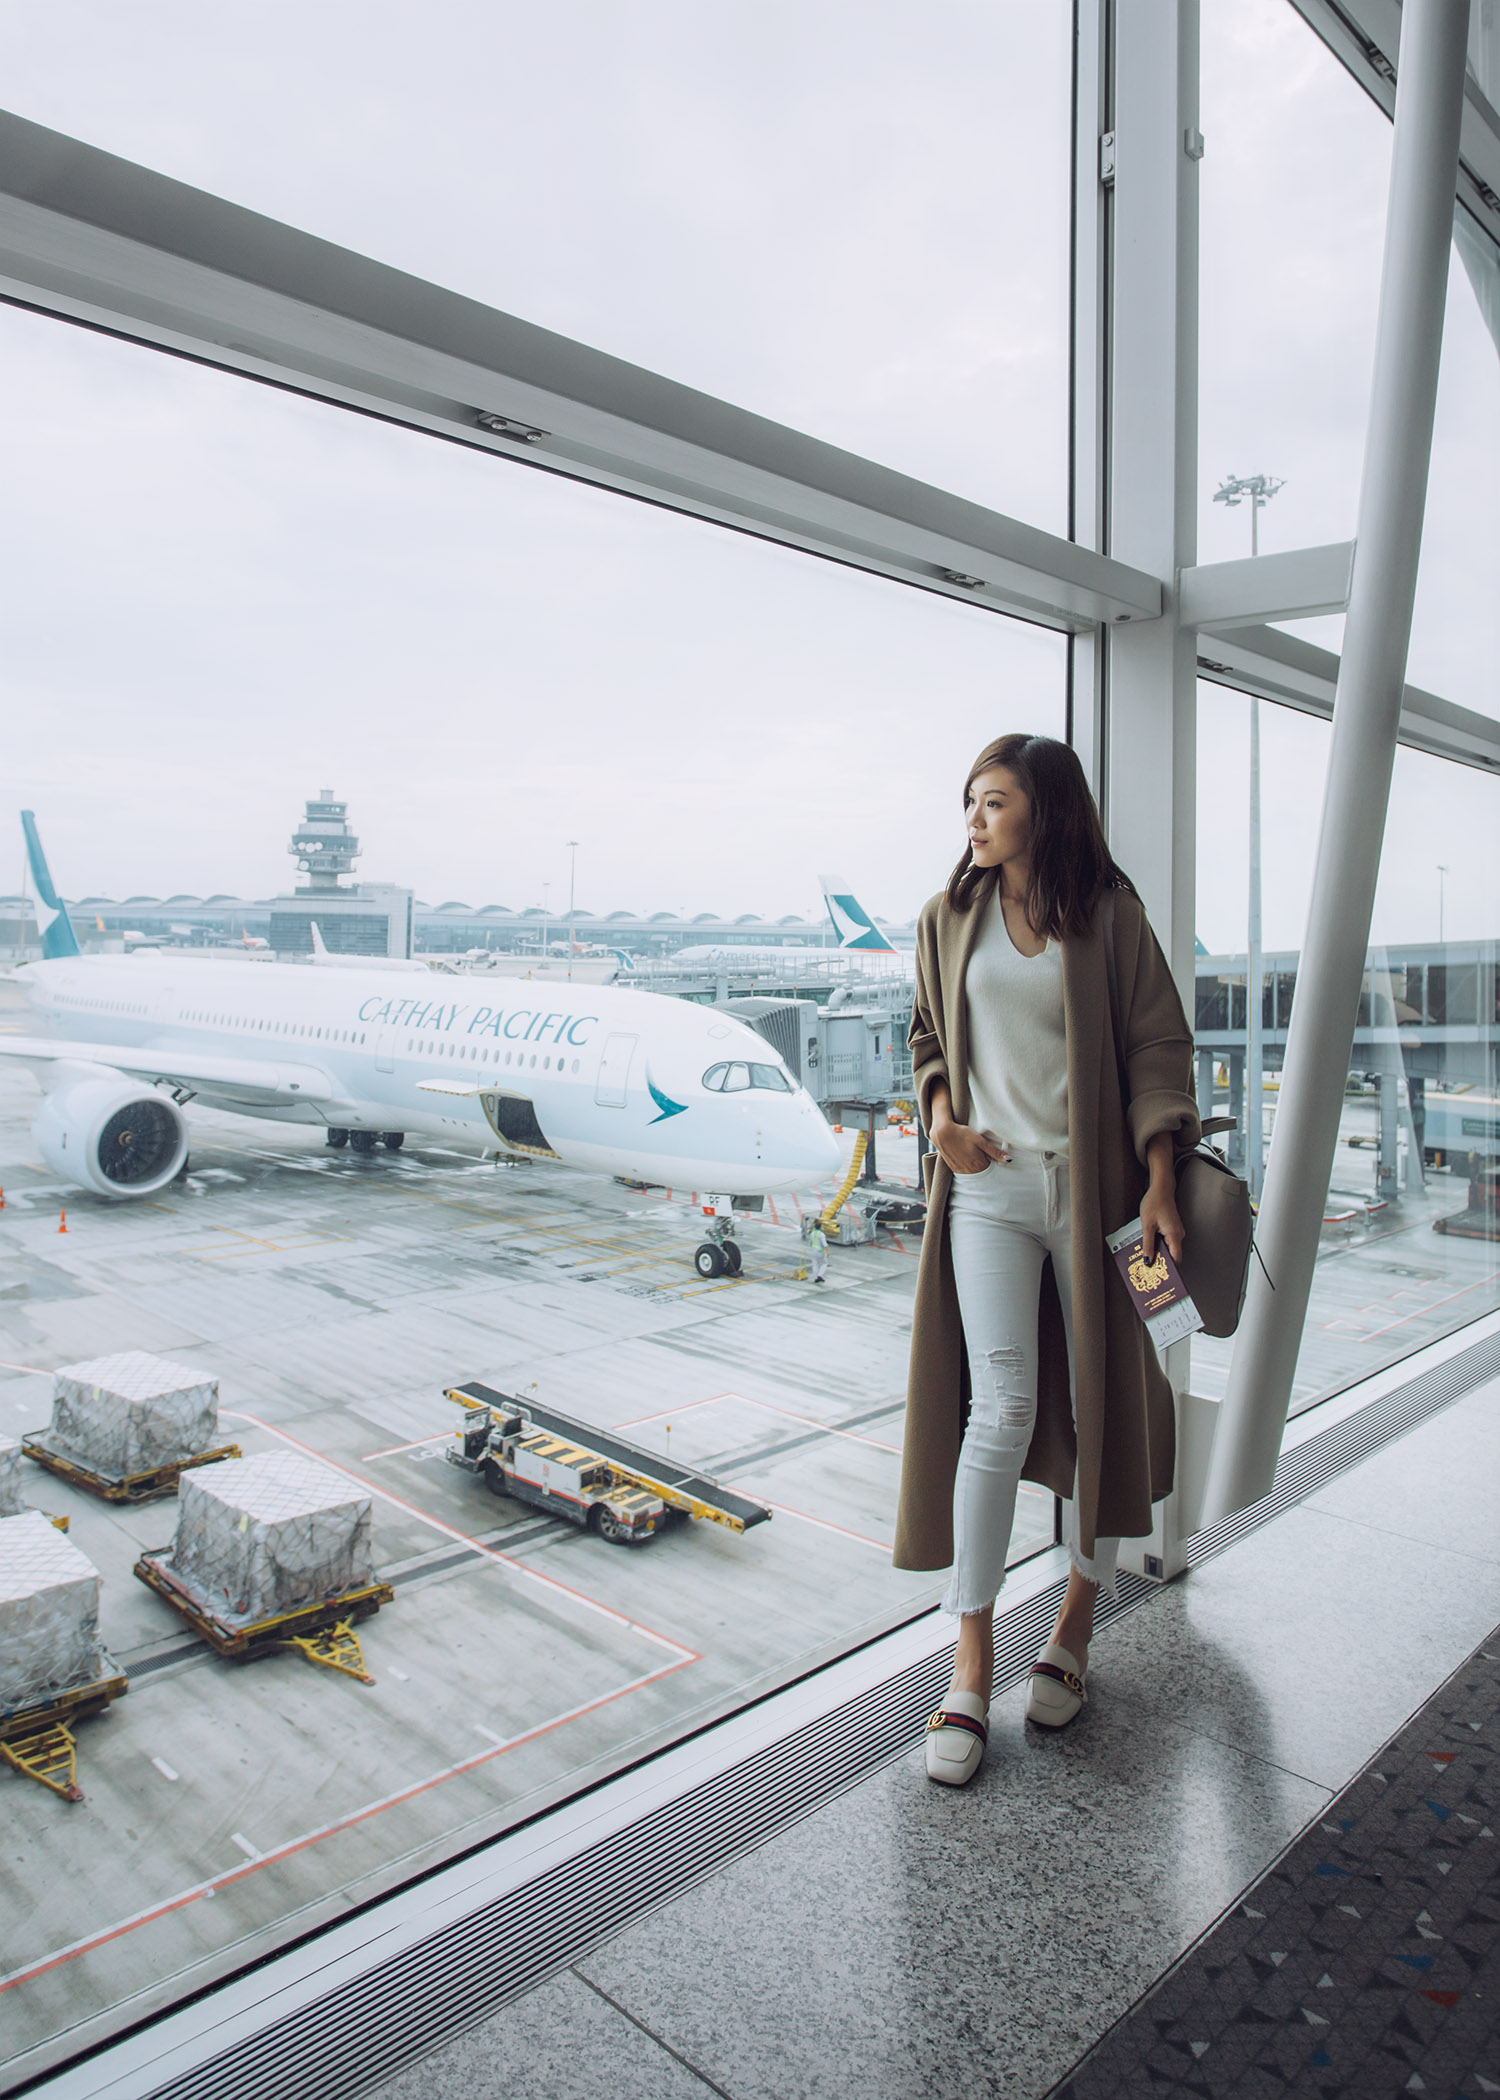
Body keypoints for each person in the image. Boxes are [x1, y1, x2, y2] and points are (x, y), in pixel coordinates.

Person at [896, 733, 1200, 1786]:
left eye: (992, 804)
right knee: (1002, 1409)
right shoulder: (947, 918)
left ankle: (1074, 1624)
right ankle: (970, 1664)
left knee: (1108, 1399)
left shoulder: (1112, 920)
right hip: (986, 1187)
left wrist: (1160, 1180)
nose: (972, 822)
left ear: (1046, 812)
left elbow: (1159, 1050)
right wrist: (939, 1121)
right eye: (969, 803)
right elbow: (928, 1036)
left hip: (1099, 1198)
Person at [804, 1218, 830, 1284]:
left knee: (815, 1264)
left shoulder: (812, 1233)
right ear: (820, 1227)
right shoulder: (821, 1235)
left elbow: (810, 1243)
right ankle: (819, 1275)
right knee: (824, 1263)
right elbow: (825, 1244)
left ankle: (815, 1278)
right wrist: (827, 1252)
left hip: (813, 1250)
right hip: (820, 1251)